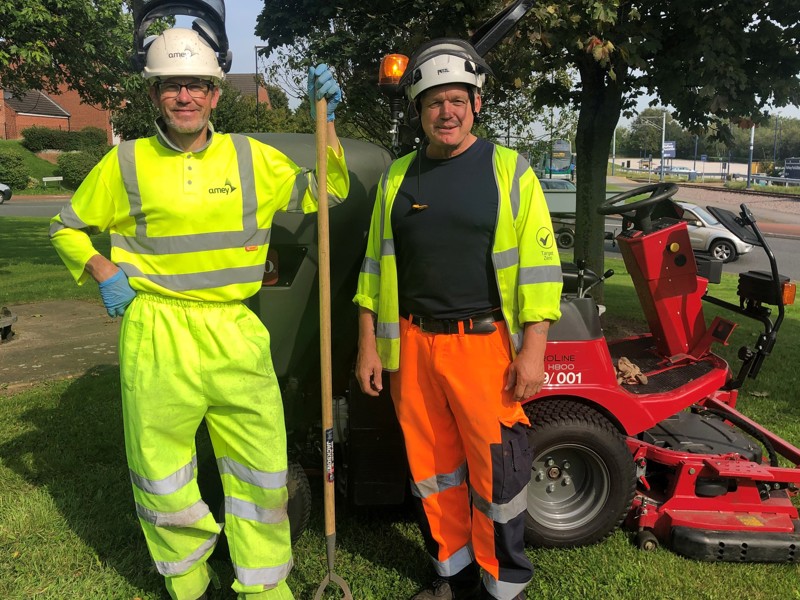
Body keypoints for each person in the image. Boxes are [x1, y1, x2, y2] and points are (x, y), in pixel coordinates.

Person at [50, 27, 348, 600]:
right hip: (156, 330)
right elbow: (66, 227)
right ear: (155, 94)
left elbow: (326, 194)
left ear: (215, 94)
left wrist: (326, 121)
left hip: (234, 327)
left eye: (195, 86)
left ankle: (263, 586)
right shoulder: (126, 163)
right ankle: (189, 582)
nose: (184, 96)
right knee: (162, 470)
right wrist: (103, 270)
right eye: (171, 86)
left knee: (261, 468)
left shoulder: (250, 157)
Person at [353, 38, 562, 600]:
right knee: (433, 471)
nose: (447, 111)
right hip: (414, 349)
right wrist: (368, 345)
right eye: (433, 102)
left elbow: (540, 271)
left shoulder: (510, 172)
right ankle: (454, 575)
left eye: (457, 100)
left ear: (476, 104)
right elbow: (373, 269)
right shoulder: (398, 177)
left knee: (498, 475)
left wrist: (534, 349)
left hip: (483, 346)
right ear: (419, 111)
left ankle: (503, 585)